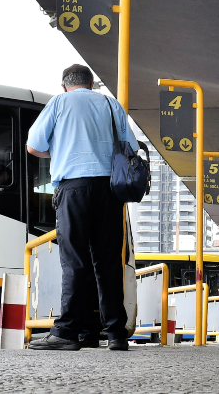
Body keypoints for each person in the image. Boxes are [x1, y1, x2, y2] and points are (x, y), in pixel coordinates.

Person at [24, 64, 139, 352]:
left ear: (65, 85)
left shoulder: (59, 102)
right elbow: (131, 148)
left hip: (74, 187)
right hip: (110, 191)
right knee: (107, 262)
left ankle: (66, 332)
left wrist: (59, 149)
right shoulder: (111, 105)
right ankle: (113, 334)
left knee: (75, 260)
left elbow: (33, 145)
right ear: (92, 84)